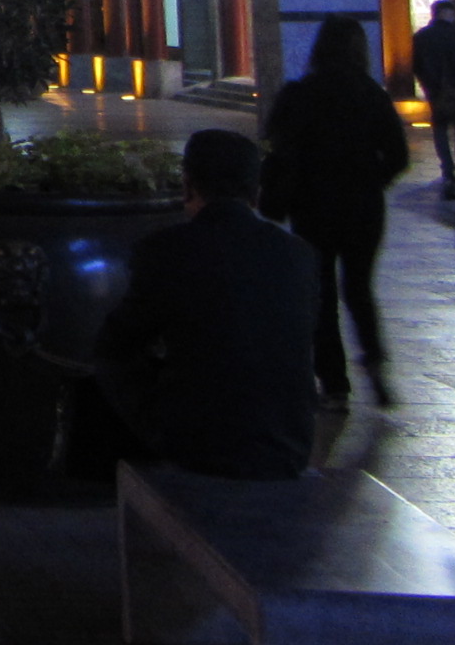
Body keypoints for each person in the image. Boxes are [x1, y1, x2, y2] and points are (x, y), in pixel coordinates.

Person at [94, 128, 318, 478]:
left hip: (201, 445)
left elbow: (116, 343)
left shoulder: (166, 250)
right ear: (255, 192)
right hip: (289, 442)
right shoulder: (298, 254)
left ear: (188, 186)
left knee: (113, 367)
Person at [259, 14, 410, 408]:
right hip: (363, 206)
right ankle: (375, 362)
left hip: (312, 205)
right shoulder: (371, 95)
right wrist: (371, 178)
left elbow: (278, 145)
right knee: (360, 288)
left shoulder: (300, 93)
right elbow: (398, 155)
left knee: (320, 293)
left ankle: (335, 384)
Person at [412, 0, 455, 199]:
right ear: (447, 13)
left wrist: (428, 85)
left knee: (440, 129)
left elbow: (417, 65)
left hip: (435, 91)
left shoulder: (421, 36)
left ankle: (447, 170)